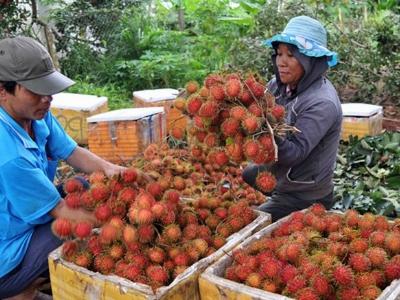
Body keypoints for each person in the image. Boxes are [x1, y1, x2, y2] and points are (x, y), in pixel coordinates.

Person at [0, 36, 145, 299]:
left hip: (21, 216)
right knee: (72, 234)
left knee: (87, 186)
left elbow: (72, 151)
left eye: (48, 89)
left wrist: (113, 171)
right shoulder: (9, 154)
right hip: (6, 252)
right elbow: (61, 211)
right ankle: (18, 289)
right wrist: (122, 224)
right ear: (3, 90)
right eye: (36, 90)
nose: (48, 99)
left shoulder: (34, 115)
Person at [242, 16, 342, 222]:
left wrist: (262, 128)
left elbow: (294, 153)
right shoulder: (279, 84)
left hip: (305, 193)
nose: (281, 62)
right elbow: (258, 107)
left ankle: (288, 205)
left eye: (291, 55)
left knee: (252, 222)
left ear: (310, 60)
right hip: (284, 175)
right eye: (279, 54)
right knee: (247, 173)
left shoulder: (322, 102)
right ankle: (276, 196)